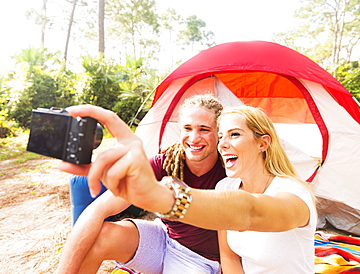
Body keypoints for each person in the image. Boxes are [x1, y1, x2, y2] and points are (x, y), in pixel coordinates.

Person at [59, 104, 317, 274]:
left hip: (199, 260)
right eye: (223, 136)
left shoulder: (294, 194)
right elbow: (230, 258)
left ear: (263, 143)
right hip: (168, 241)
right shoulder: (220, 180)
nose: (223, 144)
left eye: (233, 135)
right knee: (103, 236)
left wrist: (168, 199)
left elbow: (249, 211)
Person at [55, 94, 226, 274]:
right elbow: (98, 209)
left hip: (199, 260)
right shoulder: (166, 163)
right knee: (100, 237)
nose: (194, 138)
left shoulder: (229, 170)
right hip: (164, 239)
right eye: (187, 128)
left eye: (204, 129)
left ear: (219, 133)